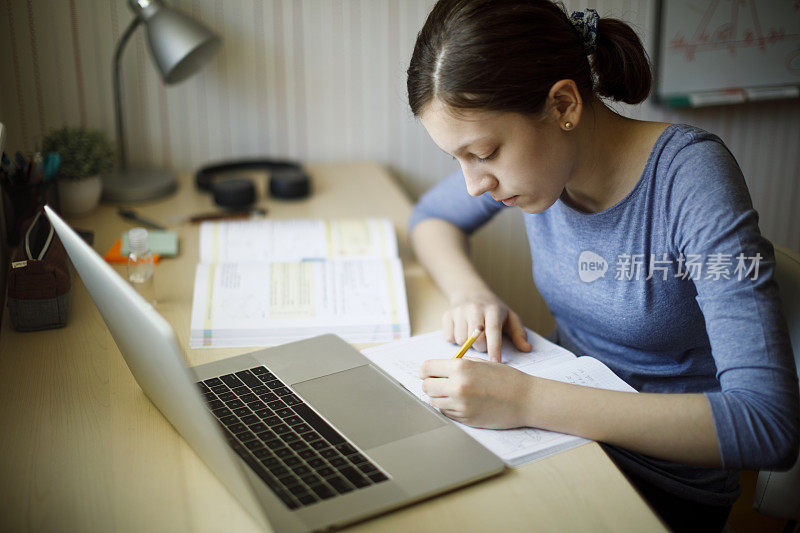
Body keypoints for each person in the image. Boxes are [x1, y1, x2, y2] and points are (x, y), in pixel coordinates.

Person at [405, 0, 800, 531]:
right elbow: (431, 218)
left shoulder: (690, 179)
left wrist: (528, 400)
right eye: (458, 160)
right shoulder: (537, 171)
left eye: (485, 152)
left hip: (662, 483)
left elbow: (767, 424)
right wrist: (469, 292)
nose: (475, 184)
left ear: (563, 104)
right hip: (555, 435)